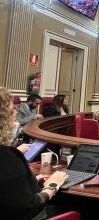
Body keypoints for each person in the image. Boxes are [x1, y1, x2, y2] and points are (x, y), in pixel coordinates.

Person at [0, 87, 69, 219]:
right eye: (13, 109)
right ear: (4, 118)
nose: (16, 112)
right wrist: (52, 186)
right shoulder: (8, 158)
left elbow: (8, 188)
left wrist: (31, 180)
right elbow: (28, 207)